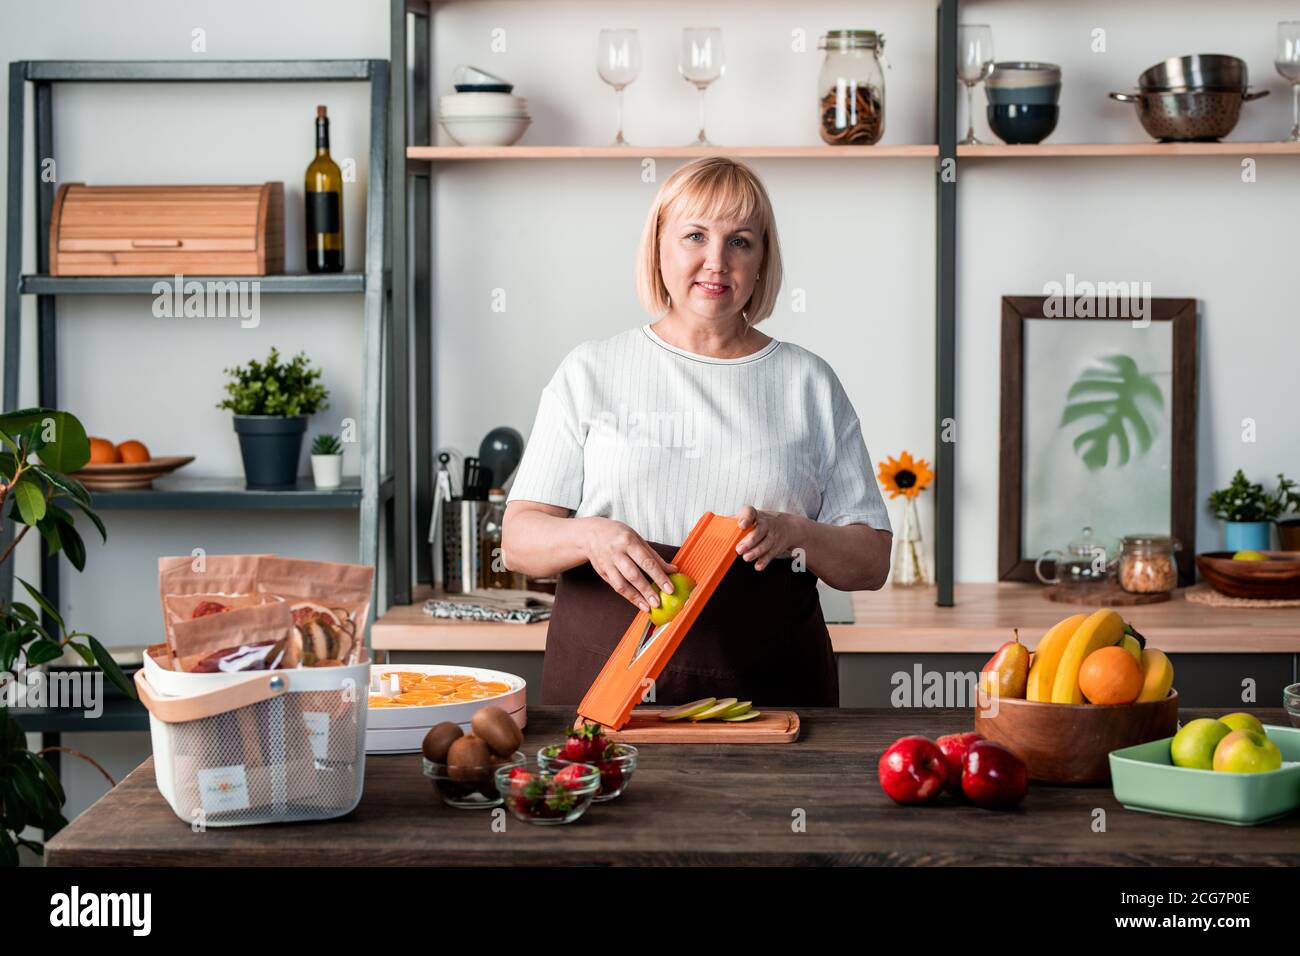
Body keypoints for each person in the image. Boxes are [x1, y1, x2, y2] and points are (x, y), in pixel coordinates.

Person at [502, 157, 893, 706]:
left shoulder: (808, 382)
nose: (717, 261)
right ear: (659, 246)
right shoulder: (590, 371)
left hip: (770, 692)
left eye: (740, 241)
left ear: (762, 260)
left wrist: (797, 533)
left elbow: (872, 562)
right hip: (602, 683)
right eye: (694, 236)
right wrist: (592, 534)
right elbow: (518, 542)